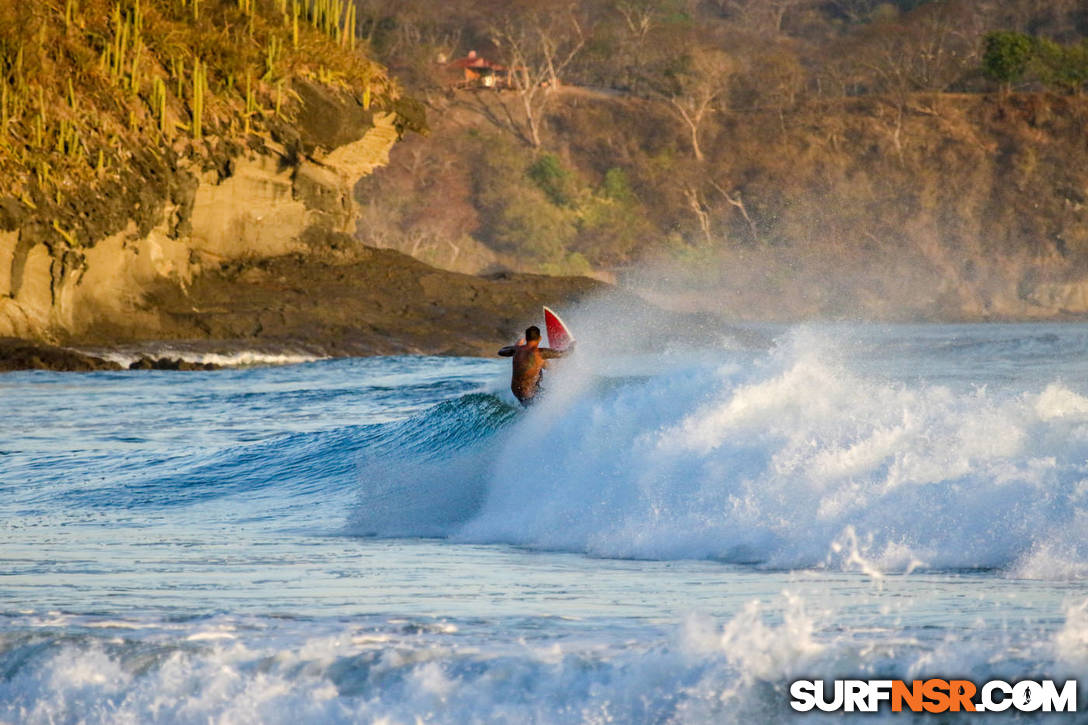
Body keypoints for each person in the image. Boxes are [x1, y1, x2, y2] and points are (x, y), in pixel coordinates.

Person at [497, 325, 572, 406]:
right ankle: (555, 368)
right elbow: (565, 354)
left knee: (539, 362)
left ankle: (553, 368)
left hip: (517, 393)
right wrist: (572, 345)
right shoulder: (540, 353)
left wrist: (516, 346)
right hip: (530, 396)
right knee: (540, 363)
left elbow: (500, 352)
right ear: (539, 338)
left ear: (526, 338)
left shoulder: (517, 349)